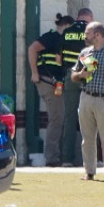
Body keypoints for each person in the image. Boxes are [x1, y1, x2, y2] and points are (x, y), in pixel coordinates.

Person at [69, 21, 104, 181]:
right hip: (86, 97)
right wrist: (80, 75)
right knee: (87, 138)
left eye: (87, 33)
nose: (85, 36)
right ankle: (89, 171)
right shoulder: (86, 52)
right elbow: (73, 76)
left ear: (97, 35)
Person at [27, 13, 72, 166]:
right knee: (56, 118)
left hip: (57, 83)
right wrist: (34, 73)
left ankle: (56, 155)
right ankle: (52, 157)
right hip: (48, 82)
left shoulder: (62, 40)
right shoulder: (52, 37)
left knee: (59, 117)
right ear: (66, 26)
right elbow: (32, 49)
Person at [59, 8, 93, 168]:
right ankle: (90, 159)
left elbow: (59, 58)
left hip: (70, 75)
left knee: (70, 117)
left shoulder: (66, 32)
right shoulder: (91, 33)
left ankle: (67, 158)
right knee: (92, 117)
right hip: (87, 76)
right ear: (90, 18)